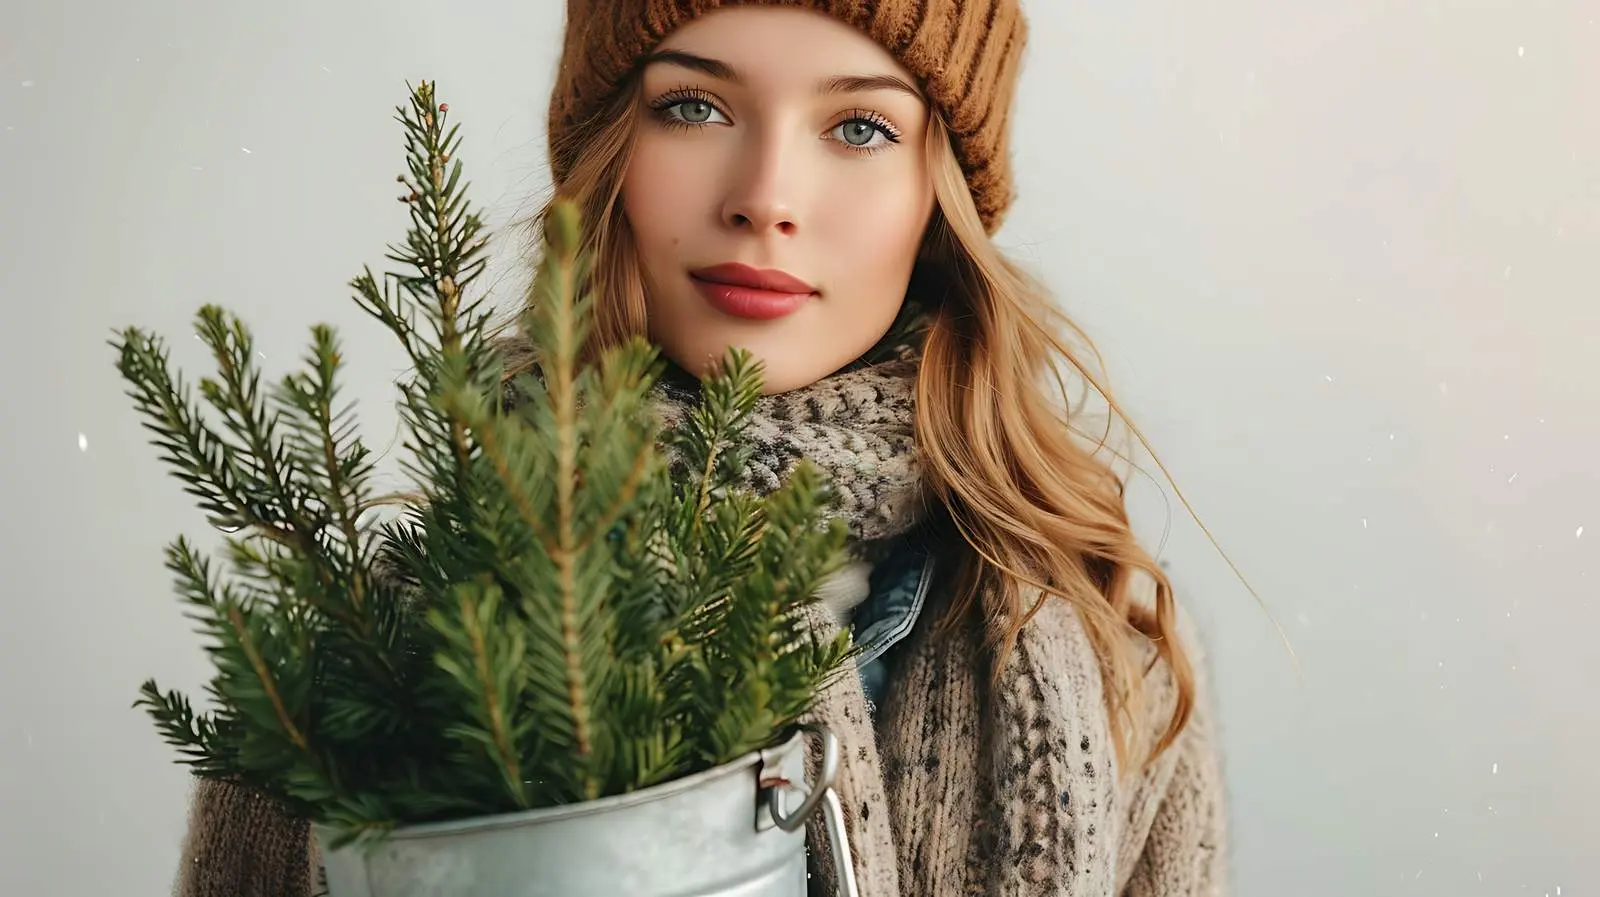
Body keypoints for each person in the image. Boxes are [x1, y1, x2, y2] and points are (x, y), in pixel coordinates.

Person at [175, 3, 1228, 895]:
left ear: (934, 197)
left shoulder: (1109, 660)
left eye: (858, 127)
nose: (764, 197)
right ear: (608, 161)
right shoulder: (376, 652)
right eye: (693, 106)